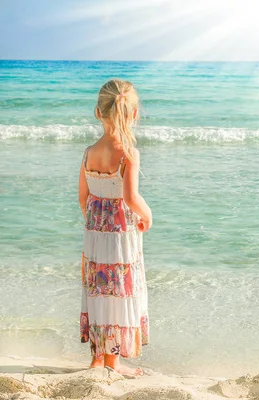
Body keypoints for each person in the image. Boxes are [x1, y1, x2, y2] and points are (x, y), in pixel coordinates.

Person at [78, 79, 152, 376]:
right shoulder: (128, 154)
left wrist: (95, 223)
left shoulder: (88, 152)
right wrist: (148, 214)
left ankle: (97, 358)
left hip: (95, 236)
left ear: (99, 112)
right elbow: (130, 197)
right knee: (119, 291)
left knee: (97, 291)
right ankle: (114, 362)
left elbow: (84, 197)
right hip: (121, 237)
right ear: (134, 114)